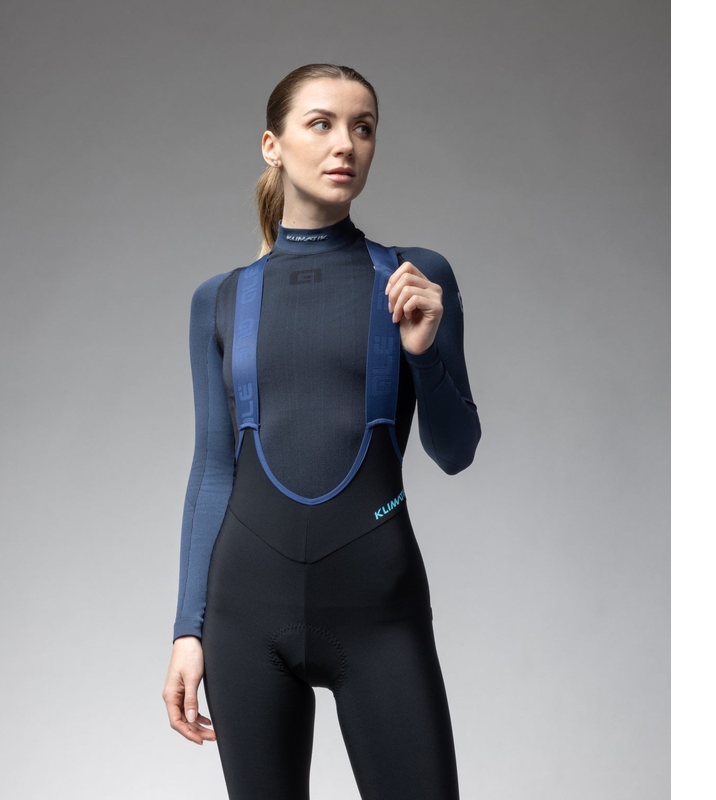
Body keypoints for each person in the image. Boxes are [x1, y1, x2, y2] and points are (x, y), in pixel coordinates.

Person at [162, 63, 481, 800]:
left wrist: (424, 353)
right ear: (272, 145)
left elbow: (456, 451)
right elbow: (213, 469)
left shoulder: (413, 277)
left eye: (363, 128)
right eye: (322, 124)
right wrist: (187, 628)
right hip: (245, 616)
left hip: (380, 610)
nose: (346, 144)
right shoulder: (220, 300)